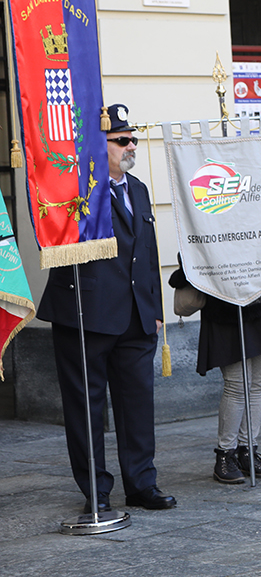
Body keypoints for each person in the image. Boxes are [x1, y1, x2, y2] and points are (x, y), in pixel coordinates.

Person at [38, 103, 175, 513]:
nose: (131, 145)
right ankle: (95, 490)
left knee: (137, 404)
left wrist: (155, 309)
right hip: (87, 314)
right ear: (100, 146)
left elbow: (146, 253)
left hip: (136, 316)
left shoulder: (138, 189)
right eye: (121, 140)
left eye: (133, 138)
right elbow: (57, 240)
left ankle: (141, 483)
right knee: (86, 408)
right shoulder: (75, 190)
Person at [169, 262, 261, 483]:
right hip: (226, 310)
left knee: (256, 384)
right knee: (237, 385)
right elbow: (188, 262)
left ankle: (248, 451)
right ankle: (225, 455)